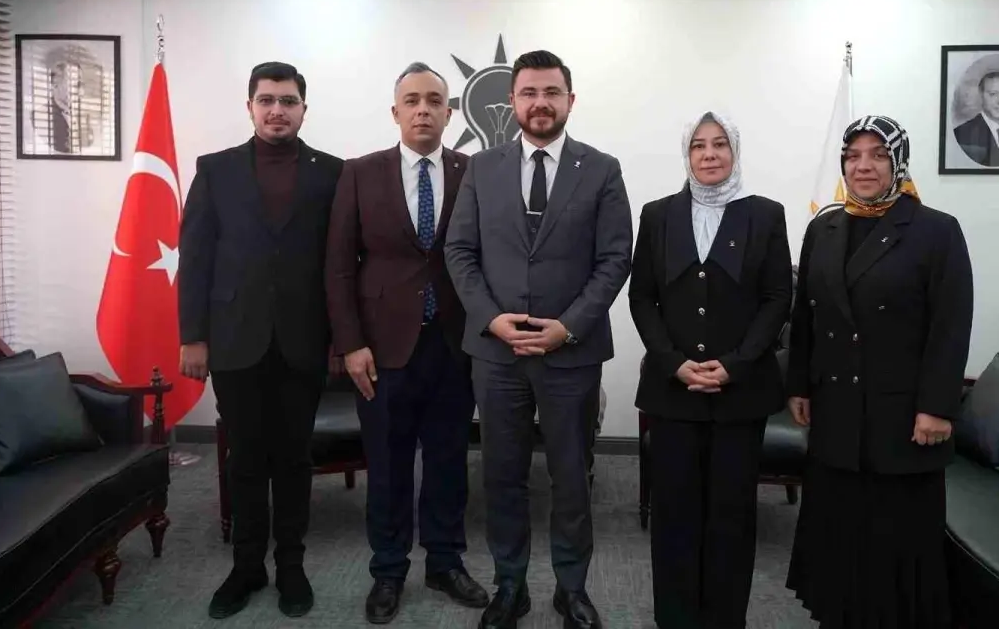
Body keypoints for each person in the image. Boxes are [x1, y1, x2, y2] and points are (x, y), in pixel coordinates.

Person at [444, 49, 633, 629]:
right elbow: (460, 251)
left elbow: (614, 258)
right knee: (503, 476)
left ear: (570, 100)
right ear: (512, 102)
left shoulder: (601, 169)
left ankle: (572, 589)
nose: (540, 103)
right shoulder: (483, 168)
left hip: (571, 354)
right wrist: (490, 318)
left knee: (571, 477)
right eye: (529, 92)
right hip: (496, 354)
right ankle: (511, 586)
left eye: (551, 92)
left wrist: (568, 327)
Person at [785, 115, 974, 628]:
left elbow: (951, 325)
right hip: (836, 412)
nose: (863, 166)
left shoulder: (935, 229)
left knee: (895, 545)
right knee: (839, 538)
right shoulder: (823, 227)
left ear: (899, 163)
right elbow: (807, 315)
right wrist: (799, 384)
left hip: (902, 417)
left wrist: (937, 407)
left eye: (878, 155)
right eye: (853, 156)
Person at [177, 61, 344, 620]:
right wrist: (193, 337)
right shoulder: (216, 169)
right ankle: (246, 567)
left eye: (288, 101)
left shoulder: (332, 173)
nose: (277, 110)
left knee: (294, 459)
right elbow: (195, 258)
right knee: (245, 459)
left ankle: (292, 566)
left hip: (304, 340)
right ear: (249, 106)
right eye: (267, 100)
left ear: (304, 109)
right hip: (233, 339)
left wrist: (342, 338)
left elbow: (340, 262)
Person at [324, 62, 489, 624]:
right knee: (388, 465)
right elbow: (339, 267)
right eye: (412, 101)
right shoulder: (359, 173)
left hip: (454, 344)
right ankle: (388, 570)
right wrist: (349, 344)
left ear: (450, 112)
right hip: (380, 348)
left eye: (434, 101)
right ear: (395, 112)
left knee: (448, 461)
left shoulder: (473, 171)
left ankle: (445, 562)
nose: (423, 110)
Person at [628, 111, 793, 629]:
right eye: (698, 145)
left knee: (731, 516)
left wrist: (737, 365)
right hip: (672, 392)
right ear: (687, 154)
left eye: (720, 144)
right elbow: (642, 297)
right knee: (674, 515)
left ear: (734, 152)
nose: (709, 154)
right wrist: (674, 363)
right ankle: (675, 618)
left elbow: (777, 298)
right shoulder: (658, 215)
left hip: (741, 394)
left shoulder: (765, 214)